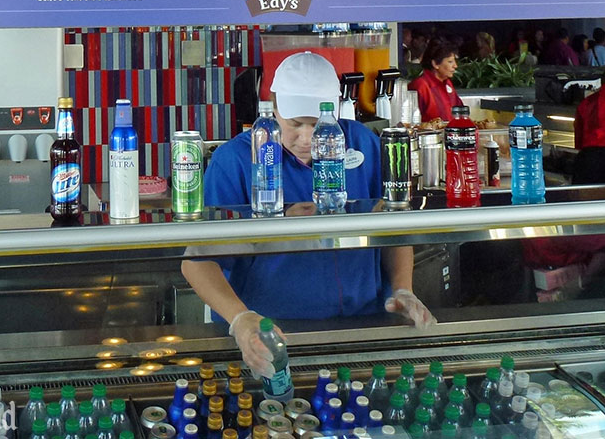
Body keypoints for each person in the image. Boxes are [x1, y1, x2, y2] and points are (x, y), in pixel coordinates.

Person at [181, 52, 435, 377]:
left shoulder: (363, 144)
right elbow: (197, 262)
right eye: (294, 124)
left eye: (316, 125)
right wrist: (240, 320)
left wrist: (403, 289)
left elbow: (393, 230)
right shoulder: (236, 160)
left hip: (362, 331)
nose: (306, 138)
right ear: (273, 107)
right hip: (270, 338)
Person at [409, 38, 464, 122]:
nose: (455, 66)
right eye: (450, 62)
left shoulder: (447, 83)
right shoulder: (420, 86)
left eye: (454, 61)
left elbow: (460, 111)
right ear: (435, 64)